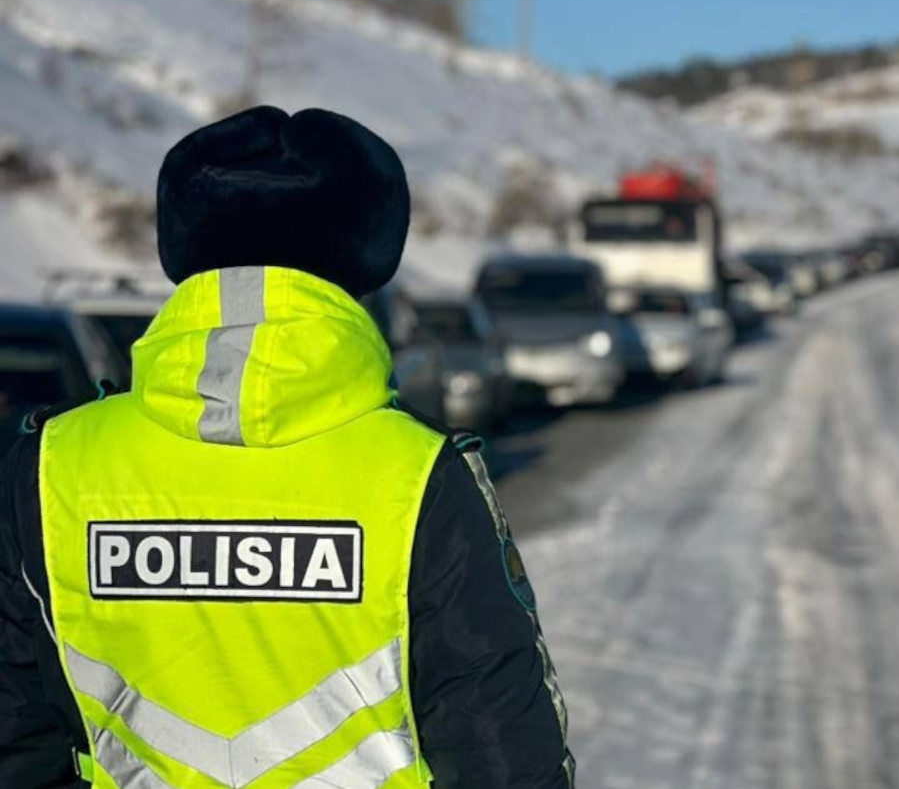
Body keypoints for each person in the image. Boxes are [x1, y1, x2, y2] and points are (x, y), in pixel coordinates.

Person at [0, 107, 574, 788]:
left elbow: (17, 741)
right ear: (366, 252)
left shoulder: (51, 467)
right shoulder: (420, 478)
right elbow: (506, 756)